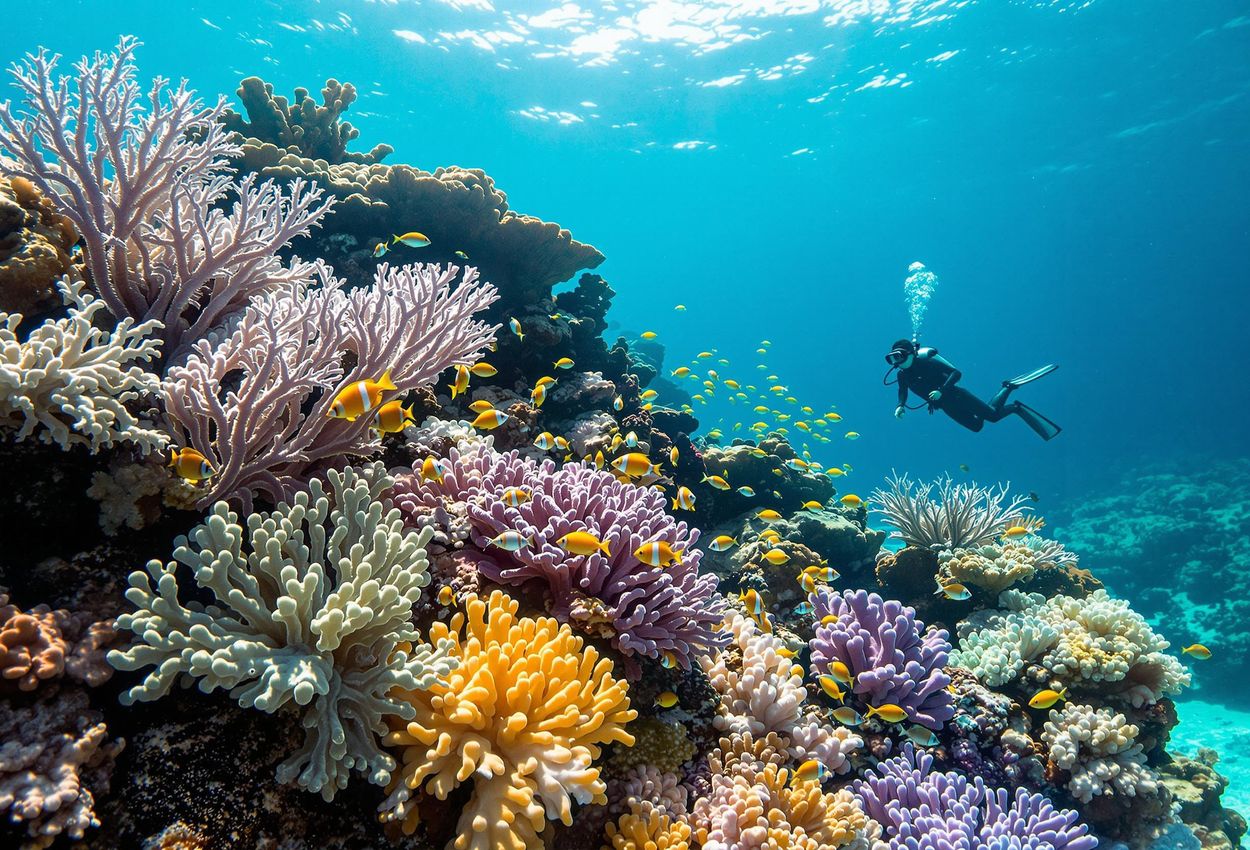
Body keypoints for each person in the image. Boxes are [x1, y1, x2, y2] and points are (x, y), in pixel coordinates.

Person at [884, 339, 1061, 440]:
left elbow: (956, 373)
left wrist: (941, 391)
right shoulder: (902, 375)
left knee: (992, 416)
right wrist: (900, 405)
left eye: (899, 357)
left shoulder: (927, 363)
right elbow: (902, 390)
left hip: (957, 396)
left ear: (910, 354)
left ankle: (1011, 396)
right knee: (977, 426)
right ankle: (1005, 392)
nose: (897, 362)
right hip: (945, 406)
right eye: (893, 359)